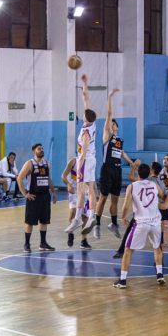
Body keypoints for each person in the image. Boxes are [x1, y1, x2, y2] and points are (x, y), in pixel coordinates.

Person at [113, 163, 165, 289]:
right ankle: (159, 275)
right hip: (156, 222)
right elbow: (162, 196)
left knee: (127, 250)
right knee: (157, 247)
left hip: (141, 223)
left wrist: (123, 216)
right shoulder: (155, 184)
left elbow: (126, 205)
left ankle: (123, 280)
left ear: (138, 173)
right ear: (149, 173)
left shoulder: (132, 186)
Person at [94, 88, 134, 240]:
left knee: (115, 199)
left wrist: (131, 163)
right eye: (110, 124)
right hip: (107, 169)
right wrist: (110, 97)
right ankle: (97, 224)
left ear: (116, 127)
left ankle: (113, 224)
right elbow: (109, 114)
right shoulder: (106, 136)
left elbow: (122, 153)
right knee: (103, 198)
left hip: (117, 170)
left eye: (113, 124)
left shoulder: (119, 140)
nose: (111, 125)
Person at [64, 74, 98, 235]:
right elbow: (86, 98)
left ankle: (78, 218)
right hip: (93, 160)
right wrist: (85, 83)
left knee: (81, 190)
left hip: (85, 160)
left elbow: (83, 150)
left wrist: (79, 167)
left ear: (85, 117)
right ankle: (91, 216)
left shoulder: (85, 132)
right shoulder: (92, 124)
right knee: (90, 189)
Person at [17, 143, 57, 253]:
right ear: (34, 151)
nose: (42, 150)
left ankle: (43, 243)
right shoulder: (30, 164)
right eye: (39, 149)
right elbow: (19, 178)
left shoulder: (46, 164)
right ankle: (27, 244)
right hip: (33, 197)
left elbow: (48, 179)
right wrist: (25, 194)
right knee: (30, 222)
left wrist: (53, 193)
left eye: (42, 149)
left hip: (45, 196)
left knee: (44, 221)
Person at [62, 157, 94, 250]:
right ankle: (70, 233)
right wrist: (68, 184)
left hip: (86, 192)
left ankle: (84, 241)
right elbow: (63, 176)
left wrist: (95, 191)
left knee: (85, 217)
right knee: (73, 213)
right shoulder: (73, 161)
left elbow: (92, 180)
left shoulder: (90, 162)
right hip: (74, 191)